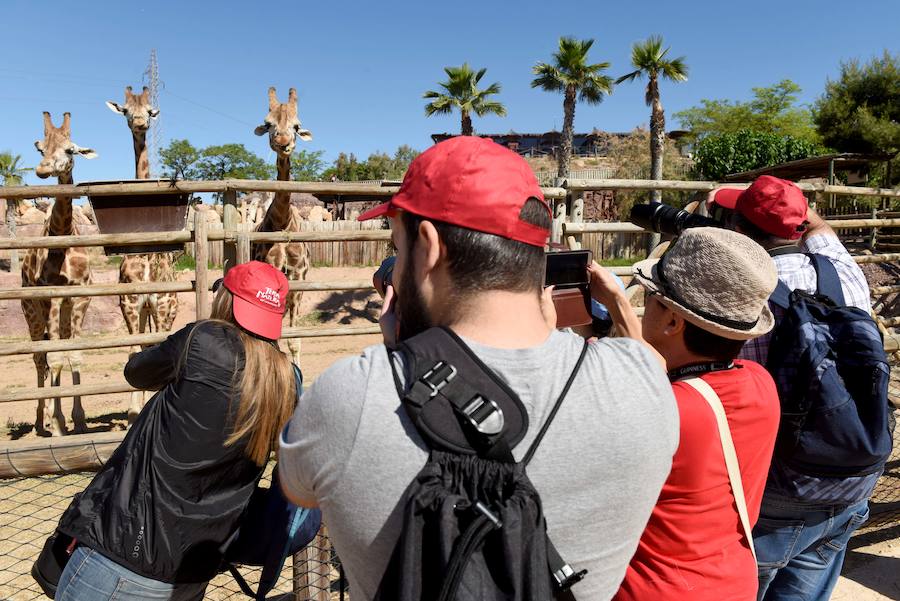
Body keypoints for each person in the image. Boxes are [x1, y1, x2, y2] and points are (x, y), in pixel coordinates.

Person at [278, 136, 679, 600]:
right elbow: (640, 357)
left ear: (427, 247)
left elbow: (299, 492)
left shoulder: (350, 394)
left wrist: (404, 359)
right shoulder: (643, 385)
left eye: (398, 247)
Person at [54, 261, 297, 601]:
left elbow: (136, 373)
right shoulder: (288, 379)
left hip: (123, 559)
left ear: (227, 300)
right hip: (192, 574)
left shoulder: (203, 341)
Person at [590, 227, 781, 601]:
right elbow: (674, 380)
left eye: (650, 297)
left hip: (653, 589)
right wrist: (618, 305)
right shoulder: (759, 383)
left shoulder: (662, 411)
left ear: (674, 322)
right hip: (731, 581)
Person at [713, 176, 878, 600]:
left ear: (738, 228)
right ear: (800, 225)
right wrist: (795, 208)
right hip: (855, 471)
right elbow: (821, 231)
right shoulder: (839, 268)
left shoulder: (746, 289)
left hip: (783, 487)